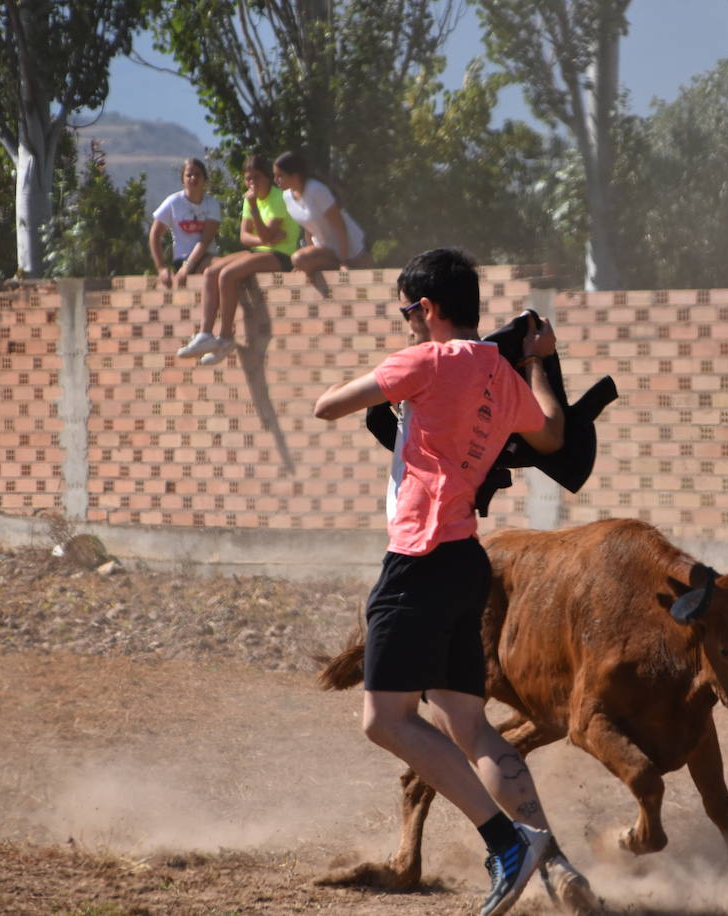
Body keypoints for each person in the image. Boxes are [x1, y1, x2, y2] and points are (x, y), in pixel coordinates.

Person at [313, 248, 584, 916]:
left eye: (408, 310)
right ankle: (550, 858)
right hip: (468, 561)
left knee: (385, 720)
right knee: (470, 724)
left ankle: (507, 844)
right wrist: (539, 360)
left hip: (419, 560)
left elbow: (328, 406)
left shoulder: (425, 363)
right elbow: (552, 434)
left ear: (428, 308)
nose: (406, 322)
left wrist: (405, 378)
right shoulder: (500, 369)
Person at [176, 154, 299, 367]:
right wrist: (265, 238)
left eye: (257, 178)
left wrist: (256, 216)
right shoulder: (249, 199)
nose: (252, 183)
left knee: (227, 275)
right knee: (212, 272)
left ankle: (225, 337)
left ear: (267, 178)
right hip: (261, 251)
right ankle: (206, 334)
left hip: (281, 256)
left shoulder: (279, 198)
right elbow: (245, 237)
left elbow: (266, 236)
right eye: (248, 179)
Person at [271, 152, 369, 272]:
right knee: (299, 260)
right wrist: (309, 263)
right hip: (325, 251)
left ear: (295, 176)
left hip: (352, 250)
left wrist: (343, 262)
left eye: (280, 175)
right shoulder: (287, 196)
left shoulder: (316, 189)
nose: (275, 180)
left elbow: (340, 227)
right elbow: (308, 228)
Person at [149, 158, 220, 289]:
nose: (193, 178)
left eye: (198, 174)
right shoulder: (173, 203)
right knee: (223, 266)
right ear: (183, 179)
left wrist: (189, 265)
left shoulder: (212, 204)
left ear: (205, 179)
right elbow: (155, 235)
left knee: (227, 266)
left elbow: (206, 240)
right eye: (189, 175)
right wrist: (161, 268)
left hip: (205, 257)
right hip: (182, 261)